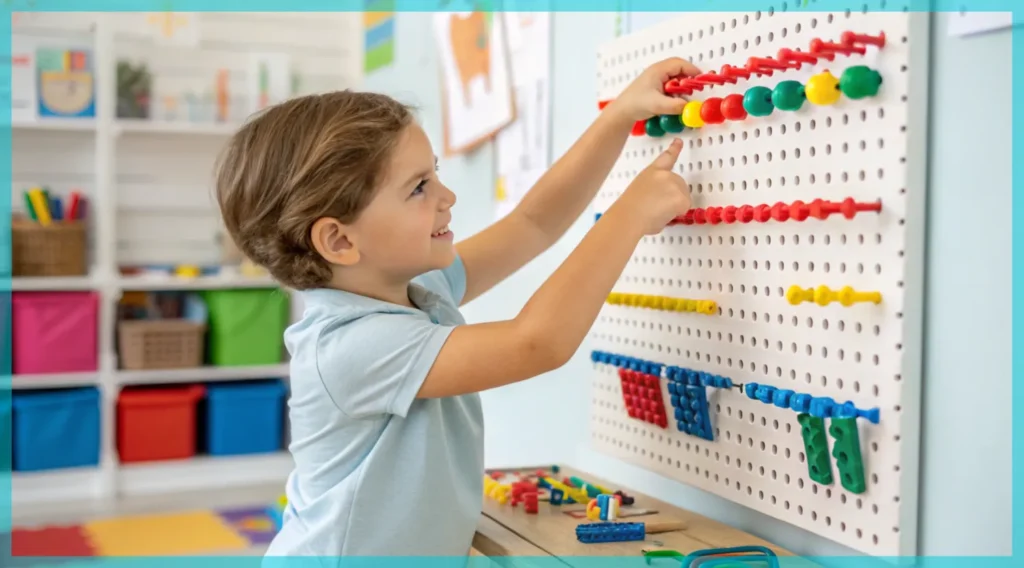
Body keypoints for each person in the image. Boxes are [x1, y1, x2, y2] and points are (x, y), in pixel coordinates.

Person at [215, 57, 698, 558]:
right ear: (339, 240)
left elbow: (532, 223)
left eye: (435, 175)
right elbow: (537, 342)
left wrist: (619, 117)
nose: (447, 197)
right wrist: (627, 217)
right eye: (418, 188)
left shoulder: (417, 288)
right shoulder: (348, 346)